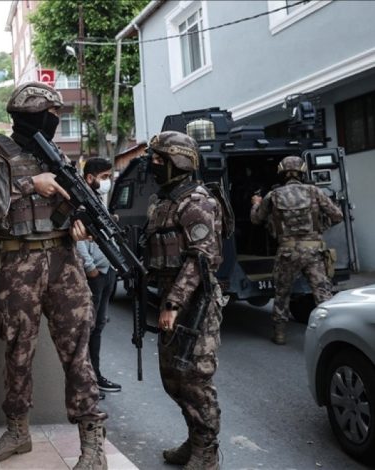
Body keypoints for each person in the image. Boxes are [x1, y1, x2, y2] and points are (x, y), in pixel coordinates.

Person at [0, 82, 108, 470]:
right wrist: (29, 184)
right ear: (31, 116)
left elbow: (76, 206)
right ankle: (18, 432)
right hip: (17, 263)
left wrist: (81, 223)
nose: (55, 122)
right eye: (50, 115)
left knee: (78, 352)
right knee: (18, 351)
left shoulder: (59, 158)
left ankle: (92, 443)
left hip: (64, 262)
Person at [145, 131, 224, 469]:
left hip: (196, 303)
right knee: (173, 378)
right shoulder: (163, 202)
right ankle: (194, 440)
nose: (153, 163)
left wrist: (173, 303)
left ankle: (207, 450)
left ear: (178, 161)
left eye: (159, 158)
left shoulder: (198, 202)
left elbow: (201, 258)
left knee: (195, 380)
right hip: (169, 297)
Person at [250, 155, 343, 345]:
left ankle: (280, 334)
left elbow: (256, 219)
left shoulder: (272, 196)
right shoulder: (314, 191)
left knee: (282, 294)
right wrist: (321, 227)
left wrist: (256, 203)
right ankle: (332, 333)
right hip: (314, 252)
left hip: (287, 252)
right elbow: (337, 216)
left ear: (282, 173)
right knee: (322, 294)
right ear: (302, 172)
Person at [76, 157, 121, 397]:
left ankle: (96, 375)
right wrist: (90, 267)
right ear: (90, 177)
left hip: (107, 271)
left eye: (109, 177)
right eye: (104, 177)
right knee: (89, 328)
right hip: (95, 274)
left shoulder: (97, 199)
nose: (108, 181)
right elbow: (79, 239)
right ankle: (88, 380)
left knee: (99, 326)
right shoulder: (82, 200)